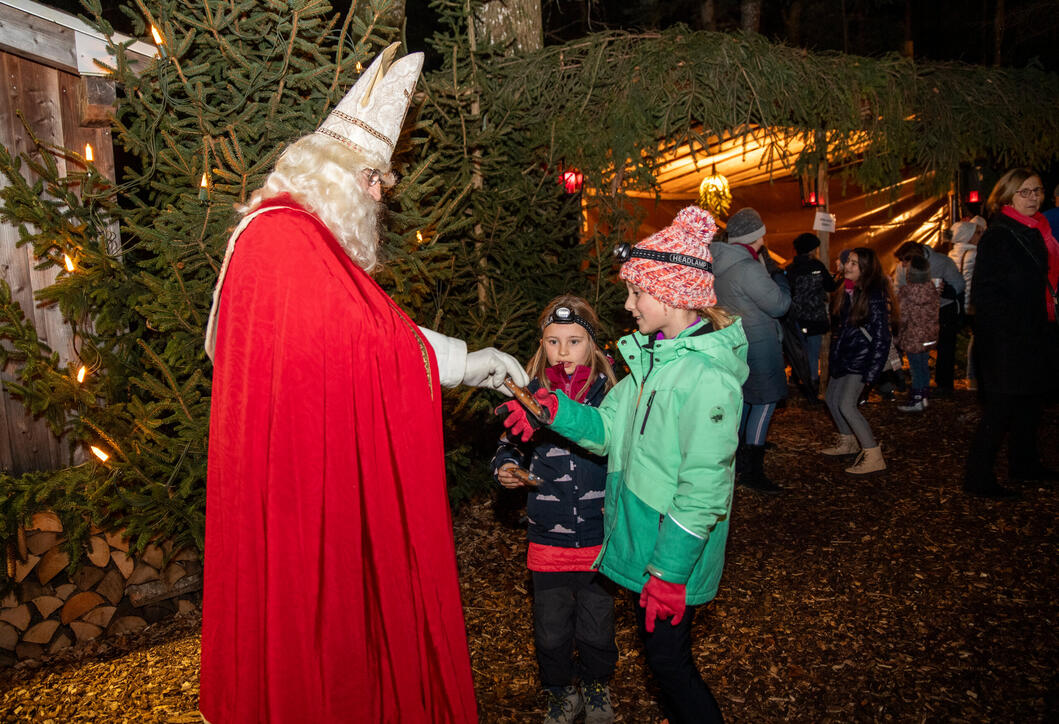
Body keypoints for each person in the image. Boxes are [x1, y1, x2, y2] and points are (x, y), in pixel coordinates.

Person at [199, 44, 529, 723]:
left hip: (291, 470)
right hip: (295, 488)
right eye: (375, 180)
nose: (381, 197)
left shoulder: (287, 235)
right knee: (318, 631)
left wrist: (467, 358)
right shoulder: (285, 241)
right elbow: (362, 340)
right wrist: (467, 362)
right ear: (339, 174)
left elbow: (356, 329)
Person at [498, 206, 748, 724]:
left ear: (673, 294)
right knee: (667, 664)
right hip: (646, 546)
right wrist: (551, 411)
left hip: (670, 557)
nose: (629, 305)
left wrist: (671, 573)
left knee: (671, 667)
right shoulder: (652, 363)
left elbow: (704, 488)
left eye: (637, 292)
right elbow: (607, 429)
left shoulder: (706, 378)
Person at [491, 295, 619, 724]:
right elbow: (508, 445)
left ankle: (597, 686)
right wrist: (508, 468)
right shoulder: (529, 396)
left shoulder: (611, 396)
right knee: (550, 630)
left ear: (593, 345)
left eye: (574, 341)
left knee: (597, 626)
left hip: (600, 539)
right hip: (547, 536)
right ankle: (560, 693)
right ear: (540, 345)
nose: (563, 353)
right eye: (552, 342)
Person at [964, 168, 1059, 498]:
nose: (1033, 198)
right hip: (1006, 339)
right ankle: (977, 476)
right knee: (1001, 408)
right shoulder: (1000, 235)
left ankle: (1024, 463)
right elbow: (985, 294)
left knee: (1030, 404)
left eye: (1038, 191)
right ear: (1006, 197)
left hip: (1036, 332)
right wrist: (1008, 334)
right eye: (1025, 192)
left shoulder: (1037, 230)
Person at [712, 207, 791, 493]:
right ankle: (752, 470)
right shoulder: (747, 268)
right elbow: (779, 304)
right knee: (765, 402)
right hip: (758, 344)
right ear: (756, 236)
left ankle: (733, 463)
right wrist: (779, 279)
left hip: (733, 342)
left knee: (744, 401)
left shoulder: (719, 261)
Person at [820, 247, 893, 474]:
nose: (847, 266)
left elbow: (882, 337)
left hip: (862, 360)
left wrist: (872, 372)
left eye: (854, 263)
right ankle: (848, 441)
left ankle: (873, 454)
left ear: (866, 268)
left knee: (846, 404)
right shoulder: (848, 291)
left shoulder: (874, 295)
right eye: (847, 262)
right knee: (831, 399)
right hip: (846, 357)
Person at [895, 240, 964, 395]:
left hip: (942, 309)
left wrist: (945, 291)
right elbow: (898, 287)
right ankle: (923, 389)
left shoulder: (942, 262)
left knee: (943, 349)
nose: (902, 265)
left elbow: (959, 284)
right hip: (919, 317)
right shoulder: (901, 268)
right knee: (921, 359)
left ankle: (941, 385)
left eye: (904, 262)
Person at [785, 232, 841, 392]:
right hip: (816, 318)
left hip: (797, 317)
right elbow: (831, 286)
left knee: (799, 349)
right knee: (813, 350)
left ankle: (798, 378)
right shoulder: (818, 266)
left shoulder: (790, 269)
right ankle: (813, 381)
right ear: (811, 250)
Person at [896, 256, 939, 412]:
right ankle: (924, 396)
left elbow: (902, 317)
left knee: (915, 369)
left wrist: (897, 334)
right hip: (928, 336)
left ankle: (916, 399)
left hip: (913, 337)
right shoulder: (932, 289)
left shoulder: (906, 292)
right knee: (923, 366)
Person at [949, 217, 985, 389]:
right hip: (973, 304)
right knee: (978, 340)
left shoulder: (953, 253)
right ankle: (973, 378)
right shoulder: (975, 254)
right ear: (968, 236)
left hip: (955, 304)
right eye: (977, 232)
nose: (980, 235)